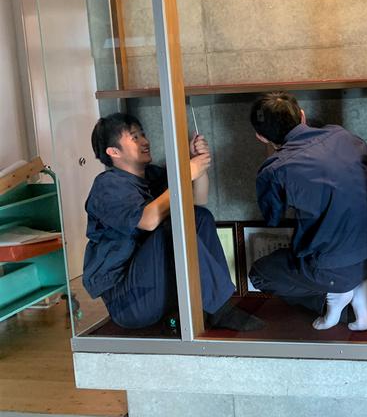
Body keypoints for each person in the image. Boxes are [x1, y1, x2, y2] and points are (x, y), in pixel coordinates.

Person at [83, 113, 263, 331]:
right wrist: (185, 174)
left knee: (199, 216)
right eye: (134, 137)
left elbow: (198, 199)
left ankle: (218, 306)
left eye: (143, 134)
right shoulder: (107, 186)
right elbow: (148, 221)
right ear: (113, 152)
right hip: (130, 301)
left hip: (158, 289)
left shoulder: (152, 175)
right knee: (170, 227)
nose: (145, 141)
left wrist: (197, 166)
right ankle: (221, 310)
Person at [248, 92, 367, 331]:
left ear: (260, 137)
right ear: (302, 116)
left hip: (329, 268)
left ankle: (335, 297)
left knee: (259, 274)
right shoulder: (343, 136)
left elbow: (273, 217)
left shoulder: (275, 169)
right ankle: (357, 289)